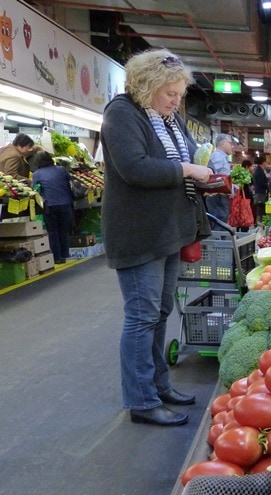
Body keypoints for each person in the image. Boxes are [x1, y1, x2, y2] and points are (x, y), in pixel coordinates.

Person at [99, 49, 214, 427]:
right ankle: (141, 401)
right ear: (148, 86)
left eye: (180, 95)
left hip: (167, 232)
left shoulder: (165, 119)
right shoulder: (121, 114)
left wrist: (201, 171)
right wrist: (185, 168)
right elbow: (134, 168)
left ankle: (159, 385)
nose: (177, 101)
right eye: (171, 94)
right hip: (139, 235)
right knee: (141, 317)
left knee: (160, 313)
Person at [30, 151, 73, 264]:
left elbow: (34, 190)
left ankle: (56, 258)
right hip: (65, 203)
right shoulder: (61, 170)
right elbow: (70, 182)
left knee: (53, 231)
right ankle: (65, 255)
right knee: (63, 231)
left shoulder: (37, 173)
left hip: (49, 205)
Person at [205, 133, 235, 229]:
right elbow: (211, 177)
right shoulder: (217, 157)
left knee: (221, 223)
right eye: (230, 143)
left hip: (221, 197)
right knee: (218, 224)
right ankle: (216, 244)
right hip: (217, 198)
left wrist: (231, 187)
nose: (232, 146)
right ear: (222, 143)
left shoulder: (222, 158)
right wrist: (224, 189)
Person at [252, 154, 269, 227]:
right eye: (267, 162)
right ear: (263, 162)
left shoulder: (259, 170)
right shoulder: (259, 171)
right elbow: (261, 183)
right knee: (260, 210)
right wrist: (268, 185)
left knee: (261, 210)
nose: (267, 164)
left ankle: (259, 224)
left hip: (260, 193)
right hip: (260, 194)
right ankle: (259, 225)